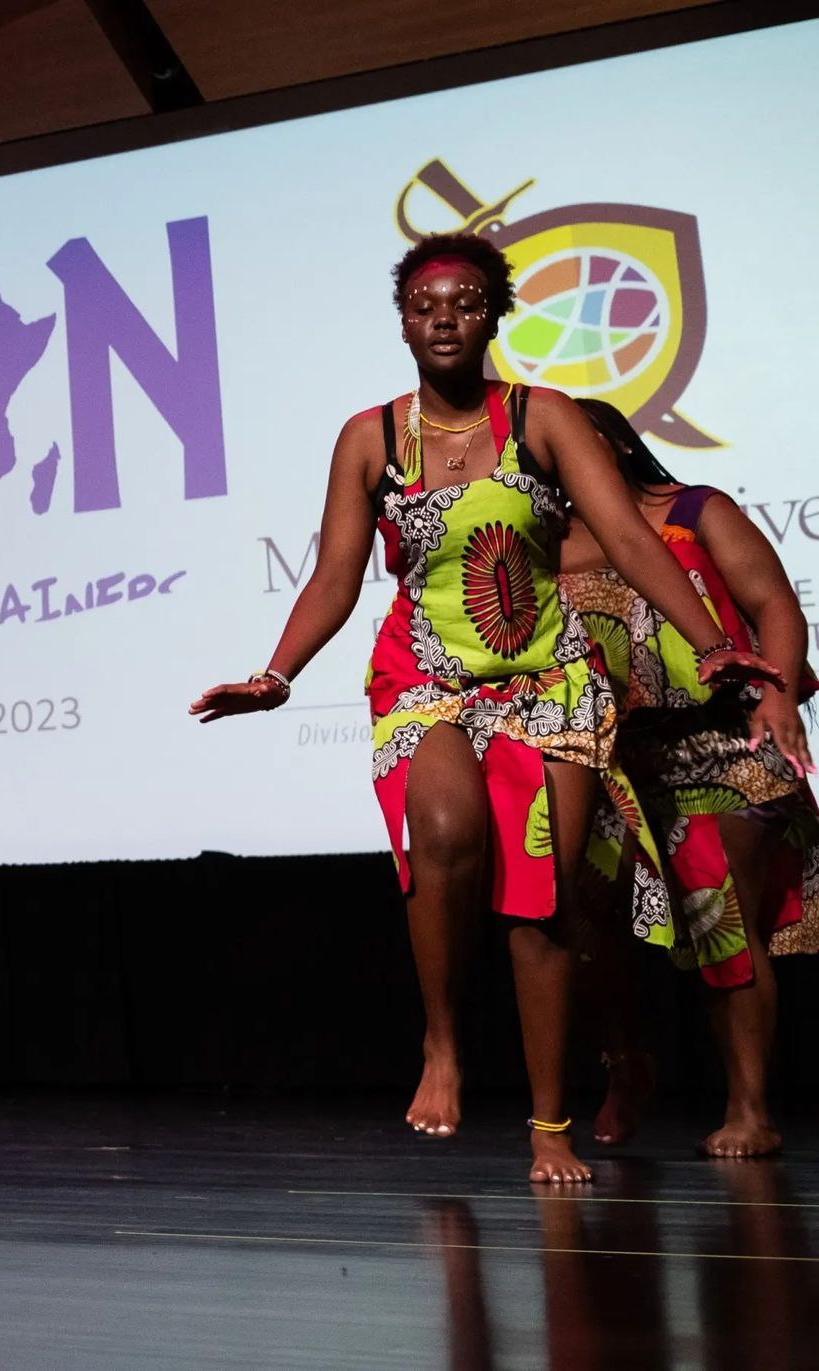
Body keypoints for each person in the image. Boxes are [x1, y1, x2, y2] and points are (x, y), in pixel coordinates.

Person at [189, 234, 782, 1184]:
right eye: (425, 307)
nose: (444, 319)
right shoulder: (369, 437)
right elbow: (338, 574)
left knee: (541, 897)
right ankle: (442, 1042)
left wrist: (711, 642)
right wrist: (279, 672)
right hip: (422, 678)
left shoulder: (540, 416)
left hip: (550, 682)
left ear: (495, 315)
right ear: (403, 322)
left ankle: (552, 1122)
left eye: (465, 303)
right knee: (448, 824)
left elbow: (629, 536)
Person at [559, 400, 817, 1158]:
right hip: (615, 760)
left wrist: (776, 694)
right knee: (581, 918)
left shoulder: (694, 510)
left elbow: (773, 601)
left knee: (719, 909)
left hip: (726, 739)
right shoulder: (546, 543)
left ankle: (749, 1107)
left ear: (612, 444)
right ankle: (626, 1058)